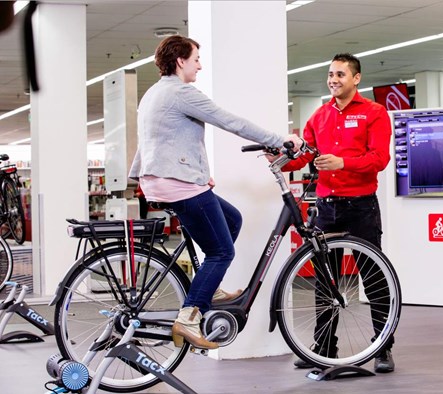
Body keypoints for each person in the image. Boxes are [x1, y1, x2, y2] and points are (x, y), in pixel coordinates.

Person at [129, 35, 302, 350]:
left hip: (164, 180)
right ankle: (190, 315)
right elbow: (228, 120)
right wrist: (278, 140)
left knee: (232, 219)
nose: (200, 65)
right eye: (196, 59)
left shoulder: (155, 93)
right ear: (180, 60)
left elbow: (166, 140)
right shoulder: (181, 92)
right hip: (177, 184)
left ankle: (211, 287)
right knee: (223, 252)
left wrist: (196, 172)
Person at [279, 53, 394, 373]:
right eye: (330, 74)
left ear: (356, 79)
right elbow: (302, 158)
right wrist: (275, 156)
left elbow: (379, 159)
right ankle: (324, 346)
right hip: (326, 208)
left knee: (373, 277)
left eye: (340, 74)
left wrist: (344, 163)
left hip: (361, 206)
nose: (333, 80)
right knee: (324, 281)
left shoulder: (375, 113)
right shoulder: (319, 116)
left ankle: (383, 347)